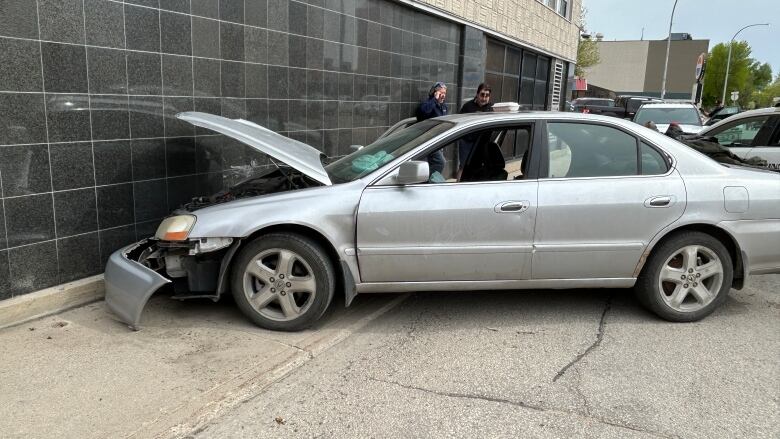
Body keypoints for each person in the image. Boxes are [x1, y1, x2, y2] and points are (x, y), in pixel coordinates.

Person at [456, 83, 494, 179]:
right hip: (467, 142)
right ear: (477, 94)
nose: (484, 98)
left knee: (480, 167)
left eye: (487, 95)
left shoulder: (492, 108)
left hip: (483, 143)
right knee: (464, 167)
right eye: (482, 94)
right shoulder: (468, 106)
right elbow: (458, 122)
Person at [416, 82, 448, 174]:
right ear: (434, 93)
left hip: (439, 139)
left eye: (444, 93)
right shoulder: (428, 103)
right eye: (441, 93)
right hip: (428, 139)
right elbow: (423, 112)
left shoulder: (444, 106)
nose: (443, 96)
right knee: (440, 162)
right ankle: (430, 181)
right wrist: (435, 99)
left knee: (433, 163)